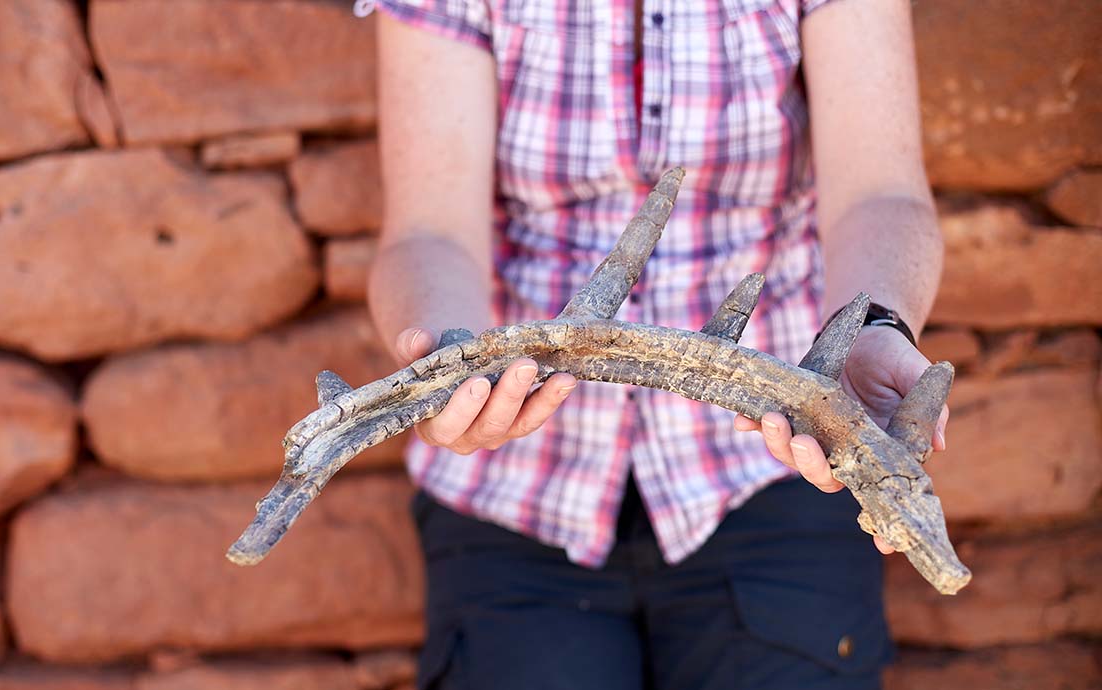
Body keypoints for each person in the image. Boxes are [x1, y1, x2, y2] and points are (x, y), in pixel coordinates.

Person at [365, 0, 948, 688]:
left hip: (772, 467)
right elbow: (428, 233)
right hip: (514, 488)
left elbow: (878, 191)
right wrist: (450, 365)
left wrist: (874, 329)